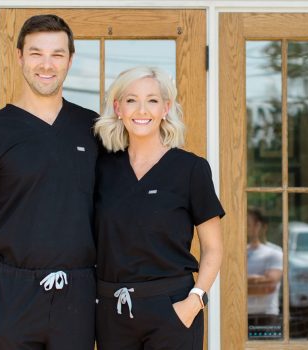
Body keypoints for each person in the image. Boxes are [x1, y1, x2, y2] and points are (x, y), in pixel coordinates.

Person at [0, 14, 98, 350]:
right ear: (19, 56)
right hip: (12, 292)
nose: (46, 65)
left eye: (57, 54)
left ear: (70, 60)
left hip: (79, 292)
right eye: (36, 53)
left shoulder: (94, 130)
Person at [93, 66, 224, 350]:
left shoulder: (191, 169)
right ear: (118, 108)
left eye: (152, 100)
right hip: (112, 312)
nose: (142, 110)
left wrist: (196, 300)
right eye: (131, 100)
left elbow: (213, 247)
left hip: (173, 308)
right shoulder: (100, 168)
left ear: (166, 108)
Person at [247, 207, 283, 336]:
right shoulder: (240, 252)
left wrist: (243, 281)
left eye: (248, 224)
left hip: (266, 316)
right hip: (240, 315)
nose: (245, 228)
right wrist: (257, 279)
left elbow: (268, 287)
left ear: (259, 225)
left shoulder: (274, 252)